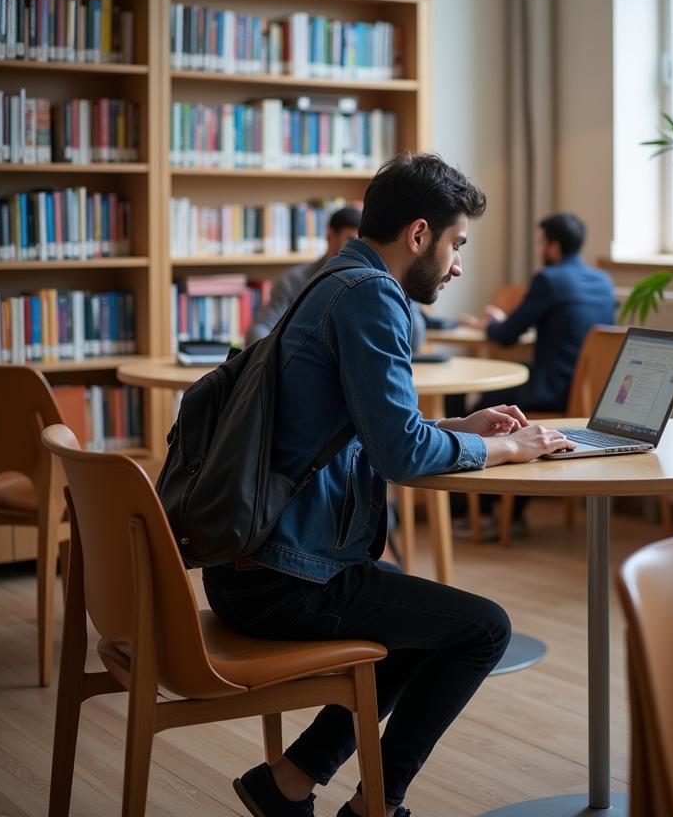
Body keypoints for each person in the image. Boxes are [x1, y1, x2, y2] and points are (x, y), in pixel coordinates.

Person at [204, 153, 575, 817]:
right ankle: (378, 806)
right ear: (419, 235)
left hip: (254, 564)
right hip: (284, 576)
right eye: (457, 244)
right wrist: (504, 447)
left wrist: (461, 426)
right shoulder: (374, 297)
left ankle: (288, 781)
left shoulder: (334, 280)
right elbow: (401, 456)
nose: (458, 264)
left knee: (426, 627)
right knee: (483, 630)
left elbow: (375, 432)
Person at [455, 213, 615, 534]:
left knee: (482, 408)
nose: (541, 249)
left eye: (541, 242)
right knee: (504, 391)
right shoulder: (603, 281)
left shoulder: (549, 279)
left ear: (553, 246)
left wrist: (493, 321)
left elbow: (506, 335)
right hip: (589, 391)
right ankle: (507, 513)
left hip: (552, 389)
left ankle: (482, 513)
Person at [245, 206, 362, 346]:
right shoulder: (293, 281)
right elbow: (261, 328)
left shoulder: (366, 283)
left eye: (359, 242)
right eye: (350, 239)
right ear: (330, 236)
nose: (354, 247)